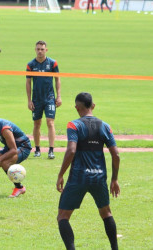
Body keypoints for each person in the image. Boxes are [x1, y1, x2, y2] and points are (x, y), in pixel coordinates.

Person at [56, 92, 120, 249]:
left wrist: (60, 174)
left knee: (63, 216)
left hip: (78, 177)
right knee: (106, 213)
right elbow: (116, 155)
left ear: (77, 108)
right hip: (99, 178)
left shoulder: (74, 125)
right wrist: (114, 179)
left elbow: (71, 151)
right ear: (93, 106)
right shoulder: (105, 126)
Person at [26, 40, 61, 159]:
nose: (40, 51)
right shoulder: (31, 64)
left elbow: (57, 80)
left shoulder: (52, 63)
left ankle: (51, 150)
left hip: (49, 98)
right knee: (37, 123)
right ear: (35, 50)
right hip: (36, 99)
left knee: (50, 122)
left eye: (42, 49)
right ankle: (37, 149)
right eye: (38, 49)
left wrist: (59, 96)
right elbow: (28, 82)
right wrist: (29, 100)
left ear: (46, 50)